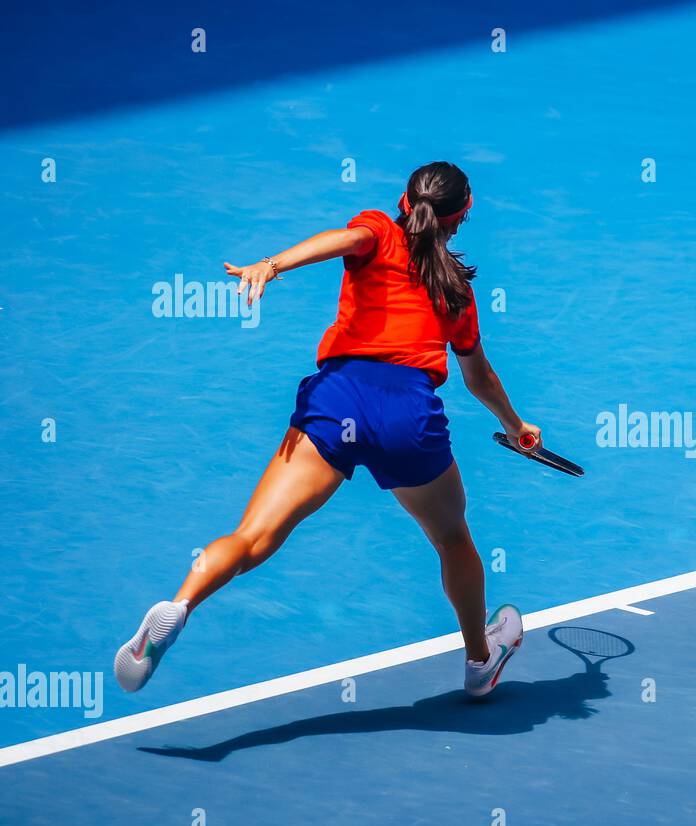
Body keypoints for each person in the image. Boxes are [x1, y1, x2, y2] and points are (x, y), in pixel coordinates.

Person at [115, 161, 533, 699]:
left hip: (339, 402)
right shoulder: (458, 294)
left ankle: (181, 603)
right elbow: (479, 377)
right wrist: (516, 425)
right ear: (461, 219)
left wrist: (272, 264)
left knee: (252, 538)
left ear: (406, 202)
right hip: (408, 416)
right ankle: (480, 662)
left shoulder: (379, 231)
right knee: (453, 538)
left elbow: (343, 239)